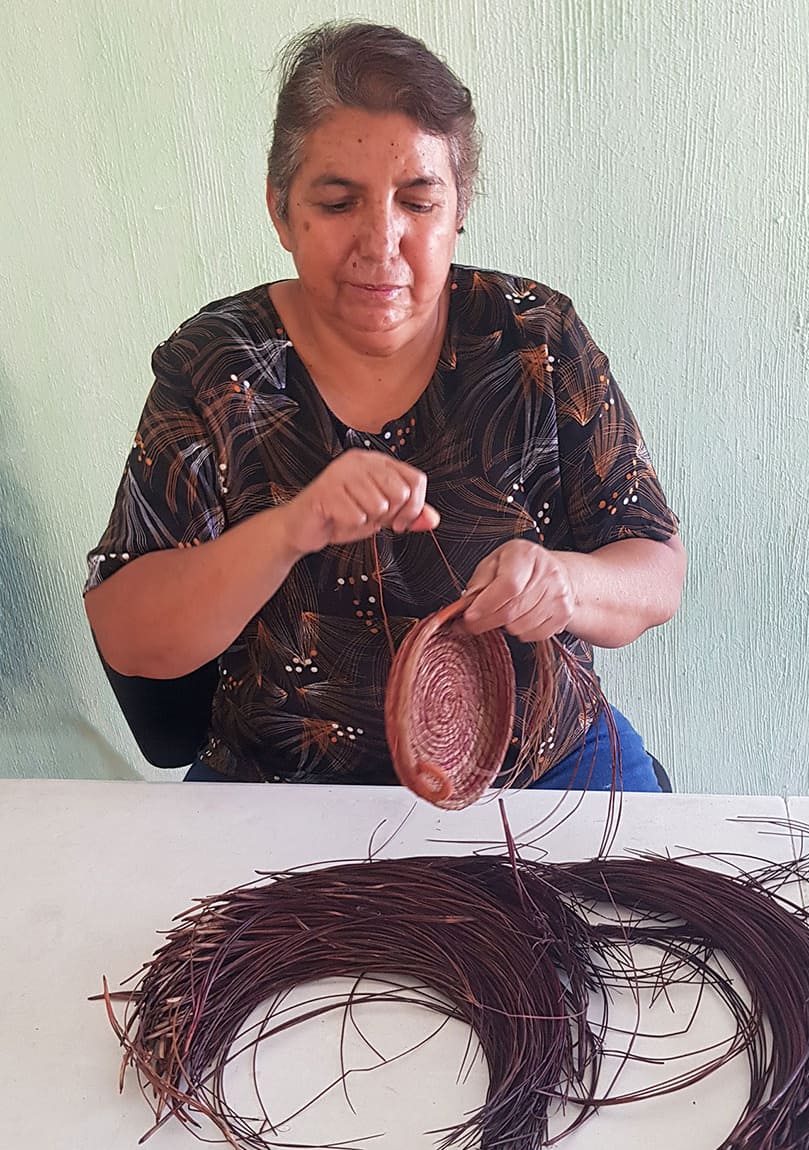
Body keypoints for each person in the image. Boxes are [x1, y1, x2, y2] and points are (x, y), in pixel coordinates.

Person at [84, 21, 686, 795]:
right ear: (281, 210)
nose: (382, 241)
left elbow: (656, 570)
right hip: (284, 791)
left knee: (647, 916)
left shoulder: (533, 339)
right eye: (338, 203)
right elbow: (133, 639)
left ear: (458, 207)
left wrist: (568, 584)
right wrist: (288, 529)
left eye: (418, 202)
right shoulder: (219, 368)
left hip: (540, 764)